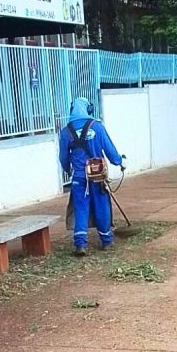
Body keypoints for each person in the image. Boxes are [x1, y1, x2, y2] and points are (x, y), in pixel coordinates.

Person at [59, 97, 123, 256]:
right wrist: (119, 161)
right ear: (89, 110)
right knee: (102, 206)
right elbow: (110, 149)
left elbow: (63, 157)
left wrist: (68, 169)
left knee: (81, 208)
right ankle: (106, 240)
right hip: (98, 176)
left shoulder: (66, 131)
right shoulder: (98, 127)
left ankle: (80, 244)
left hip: (79, 178)